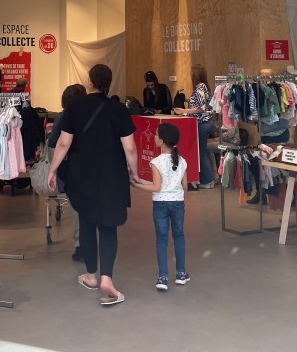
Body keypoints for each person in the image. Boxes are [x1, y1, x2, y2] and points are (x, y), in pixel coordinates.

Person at [48, 64, 139, 306]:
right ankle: (107, 278)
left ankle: (91, 275)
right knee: (108, 226)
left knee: (87, 221)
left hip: (82, 175)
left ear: (90, 82)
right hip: (112, 176)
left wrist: (52, 169)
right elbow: (130, 147)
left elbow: (63, 143)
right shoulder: (119, 110)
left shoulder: (74, 107)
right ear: (109, 83)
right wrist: (134, 171)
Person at [131, 123, 191, 290]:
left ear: (162, 141)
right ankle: (181, 273)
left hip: (160, 204)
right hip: (178, 203)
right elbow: (185, 187)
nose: (154, 137)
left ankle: (163, 277)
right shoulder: (182, 161)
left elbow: (156, 187)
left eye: (156, 135)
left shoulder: (156, 162)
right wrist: (177, 195)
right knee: (179, 236)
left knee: (161, 239)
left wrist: (137, 185)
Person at [48, 83, 88, 261]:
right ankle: (91, 241)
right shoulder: (91, 114)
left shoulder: (64, 116)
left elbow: (55, 142)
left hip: (72, 167)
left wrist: (52, 170)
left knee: (77, 207)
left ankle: (81, 245)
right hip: (93, 166)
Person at [173, 64, 216, 189]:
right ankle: (210, 178)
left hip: (203, 123)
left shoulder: (200, 87)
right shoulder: (203, 87)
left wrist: (184, 111)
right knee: (203, 151)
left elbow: (201, 108)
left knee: (201, 153)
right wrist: (186, 99)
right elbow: (200, 104)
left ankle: (207, 181)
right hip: (206, 123)